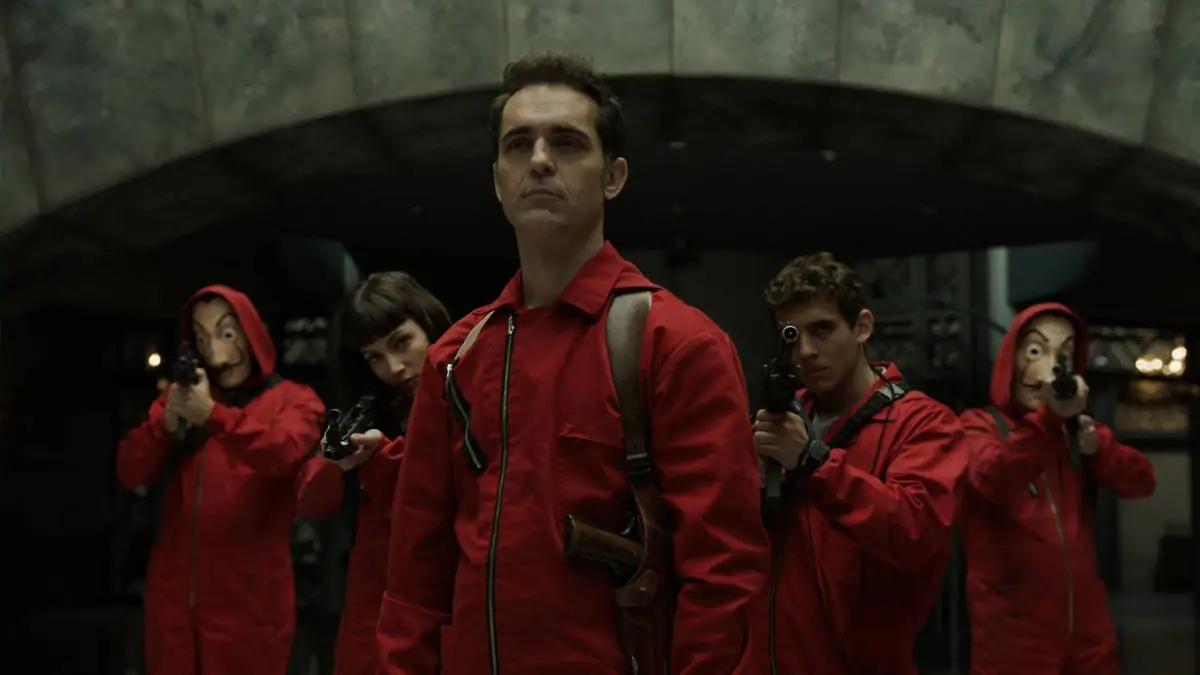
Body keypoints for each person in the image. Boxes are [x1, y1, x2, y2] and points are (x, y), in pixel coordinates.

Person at [375, 52, 771, 675]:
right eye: (518, 144)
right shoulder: (454, 358)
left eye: (566, 142)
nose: (539, 160)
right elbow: (414, 580)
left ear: (613, 176)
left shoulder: (677, 344)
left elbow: (724, 577)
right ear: (497, 180)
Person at [748, 252, 968, 675]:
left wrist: (813, 462)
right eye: (791, 336)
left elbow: (913, 532)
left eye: (823, 329)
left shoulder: (925, 424)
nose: (806, 352)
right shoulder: (783, 420)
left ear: (862, 326)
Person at [116, 285, 325, 675]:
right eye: (201, 339)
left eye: (227, 334)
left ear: (253, 334)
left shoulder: (295, 400)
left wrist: (214, 416)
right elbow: (130, 472)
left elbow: (284, 452)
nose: (214, 353)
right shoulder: (183, 397)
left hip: (251, 611)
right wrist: (164, 427)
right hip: (173, 611)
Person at [958, 303, 1157, 675]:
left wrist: (1100, 449)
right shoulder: (978, 426)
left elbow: (1142, 481)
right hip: (1013, 646)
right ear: (1011, 359)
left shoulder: (1077, 433)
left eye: (1063, 355)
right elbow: (992, 476)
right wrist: (1048, 424)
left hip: (1089, 641)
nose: (1049, 369)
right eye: (1035, 350)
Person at [294, 271, 453, 675]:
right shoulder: (373, 408)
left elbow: (441, 505)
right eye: (374, 357)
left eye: (401, 343)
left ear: (429, 324)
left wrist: (382, 459)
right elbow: (312, 500)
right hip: (372, 617)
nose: (394, 367)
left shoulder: (468, 399)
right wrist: (336, 461)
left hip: (445, 616)